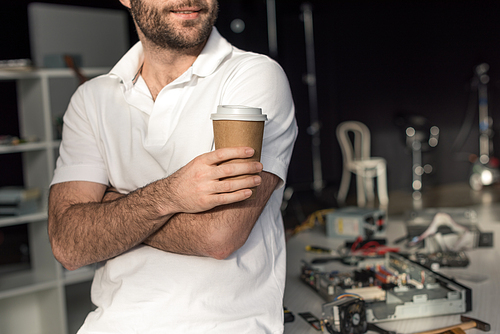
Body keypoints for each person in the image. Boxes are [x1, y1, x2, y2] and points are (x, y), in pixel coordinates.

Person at [47, 0, 297, 333]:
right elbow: (68, 244)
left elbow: (218, 234)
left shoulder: (252, 75)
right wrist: (172, 194)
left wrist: (107, 209)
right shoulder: (91, 99)